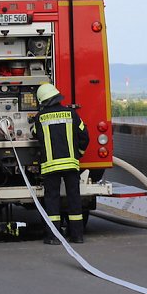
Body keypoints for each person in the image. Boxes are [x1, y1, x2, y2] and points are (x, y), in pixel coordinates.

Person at [32, 83, 90, 244]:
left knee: (52, 199)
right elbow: (85, 135)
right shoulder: (71, 114)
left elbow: (35, 134)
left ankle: (53, 236)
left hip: (51, 167)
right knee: (74, 198)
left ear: (42, 101)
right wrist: (78, 154)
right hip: (71, 165)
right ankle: (77, 235)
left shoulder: (40, 117)